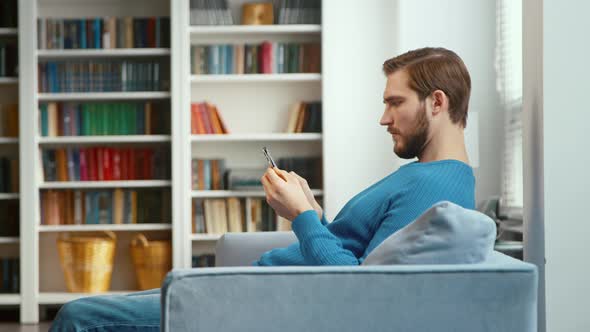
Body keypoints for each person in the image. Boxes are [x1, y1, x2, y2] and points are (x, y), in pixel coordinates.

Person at [50, 47, 475, 331]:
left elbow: (361, 292)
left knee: (79, 316)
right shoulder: (434, 176)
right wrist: (312, 209)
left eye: (395, 102)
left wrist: (302, 217)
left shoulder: (433, 187)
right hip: (258, 287)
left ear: (437, 103)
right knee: (135, 295)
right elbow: (355, 253)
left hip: (261, 301)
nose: (383, 118)